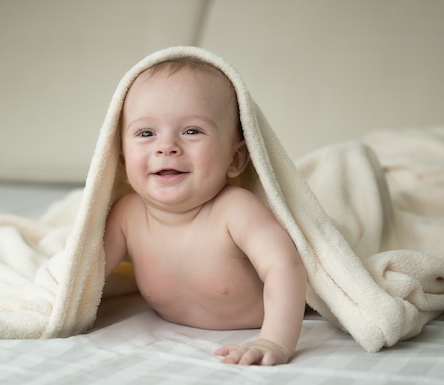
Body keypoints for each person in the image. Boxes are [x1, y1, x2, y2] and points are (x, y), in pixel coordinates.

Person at [103, 57, 307, 366]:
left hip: (261, 324)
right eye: (146, 133)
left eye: (192, 131)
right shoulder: (127, 215)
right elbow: (85, 276)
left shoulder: (236, 210)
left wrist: (275, 340)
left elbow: (285, 267)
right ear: (121, 162)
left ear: (235, 159)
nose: (166, 146)